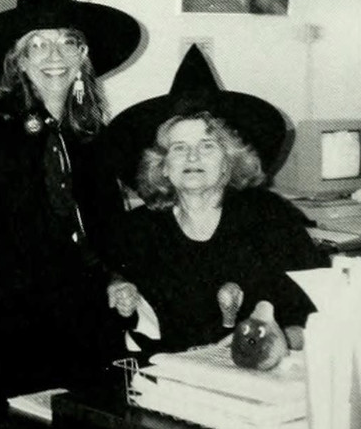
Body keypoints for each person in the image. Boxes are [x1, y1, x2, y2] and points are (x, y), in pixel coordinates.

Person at [0, 0, 142, 400]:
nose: (54, 55)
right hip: (21, 332)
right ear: (19, 61)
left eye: (66, 41)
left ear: (83, 56)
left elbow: (106, 227)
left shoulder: (91, 134)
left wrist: (117, 277)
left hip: (90, 320)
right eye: (37, 44)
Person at [105, 45, 324, 354]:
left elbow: (318, 314)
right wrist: (118, 288)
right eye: (179, 147)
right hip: (170, 373)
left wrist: (276, 342)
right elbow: (117, 304)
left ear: (229, 160)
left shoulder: (270, 217)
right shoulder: (139, 229)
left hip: (261, 371)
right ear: (163, 165)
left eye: (207, 145)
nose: (192, 156)